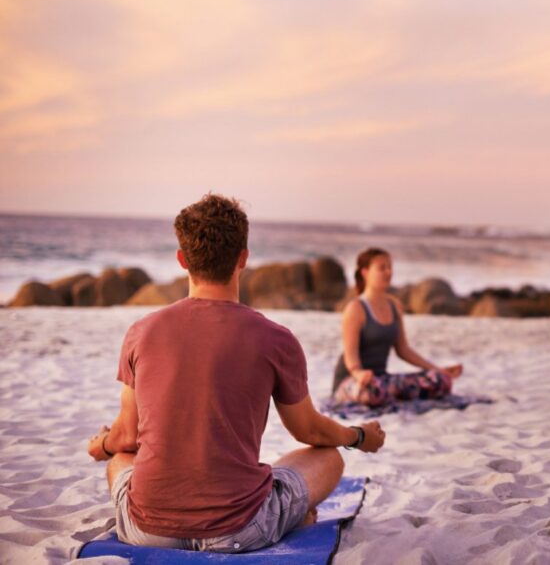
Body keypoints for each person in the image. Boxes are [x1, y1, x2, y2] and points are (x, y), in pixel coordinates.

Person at [85, 194, 386, 553]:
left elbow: (126, 437)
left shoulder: (142, 331)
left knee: (121, 460)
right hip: (241, 531)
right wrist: (357, 436)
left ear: (182, 259)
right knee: (330, 457)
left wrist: (101, 446)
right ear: (243, 258)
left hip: (147, 530)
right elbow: (309, 430)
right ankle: (289, 515)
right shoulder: (276, 338)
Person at [331, 248, 463, 405]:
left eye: (390, 267)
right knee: (373, 392)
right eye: (382, 268)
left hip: (382, 379)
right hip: (352, 381)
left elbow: (403, 349)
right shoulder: (355, 308)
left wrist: (436, 369)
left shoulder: (394, 305)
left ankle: (393, 394)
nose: (388, 272)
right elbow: (350, 354)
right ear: (365, 272)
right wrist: (358, 373)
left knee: (440, 381)